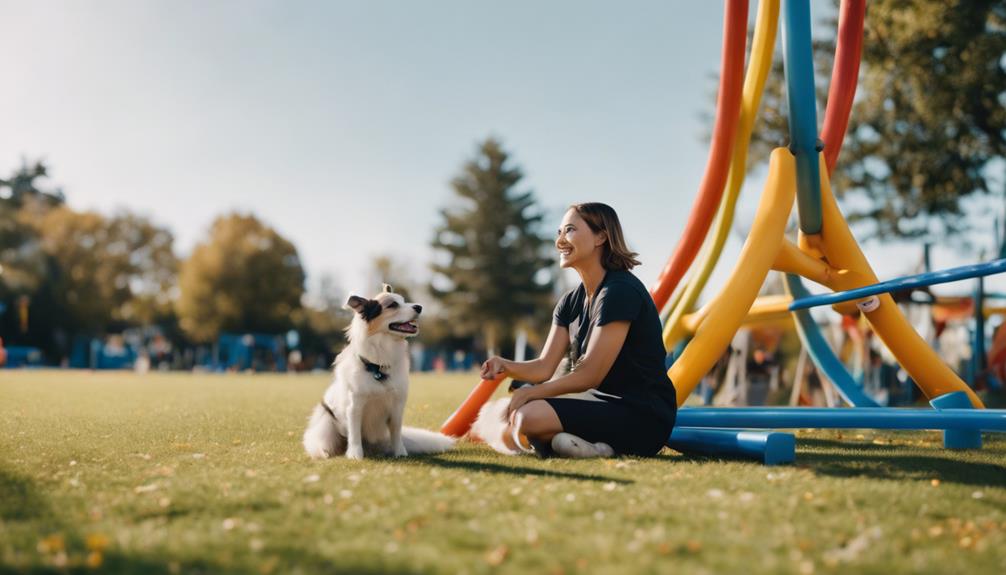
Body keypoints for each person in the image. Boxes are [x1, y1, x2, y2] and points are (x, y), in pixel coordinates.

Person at [480, 202, 677, 458]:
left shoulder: (619, 291)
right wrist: (505, 365)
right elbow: (543, 367)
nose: (560, 240)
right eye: (559, 232)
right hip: (599, 405)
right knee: (520, 416)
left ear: (601, 236)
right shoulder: (570, 301)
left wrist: (532, 393)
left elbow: (590, 375)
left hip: (642, 414)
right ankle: (589, 448)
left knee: (528, 417)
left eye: (570, 230)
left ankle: (564, 443)